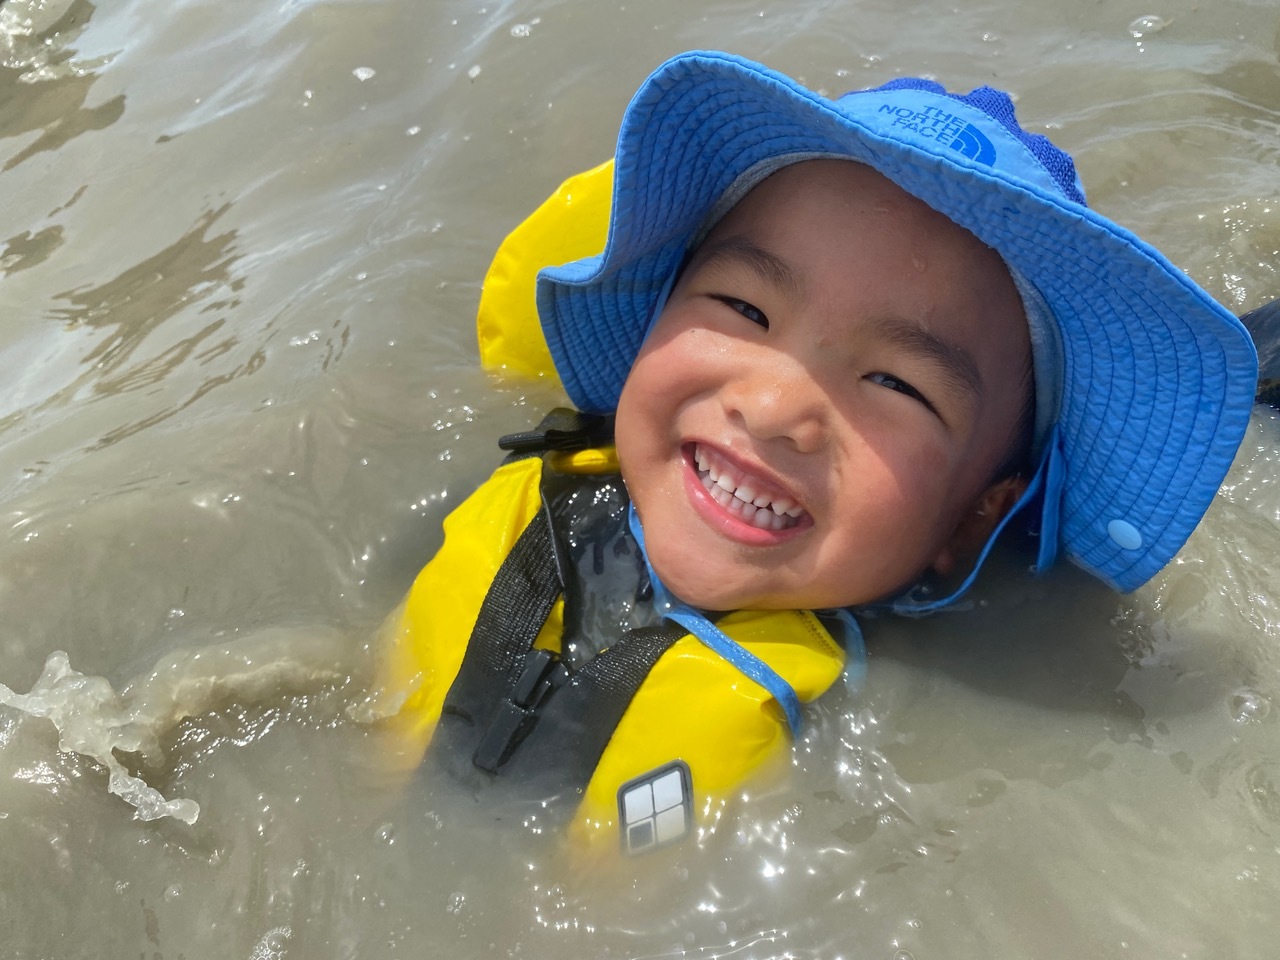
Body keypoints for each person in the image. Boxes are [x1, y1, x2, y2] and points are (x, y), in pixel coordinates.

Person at [367, 51, 1259, 859]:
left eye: (898, 384)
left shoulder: (877, 773)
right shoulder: (521, 498)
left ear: (977, 513)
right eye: (744, 310)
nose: (772, 407)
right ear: (656, 316)